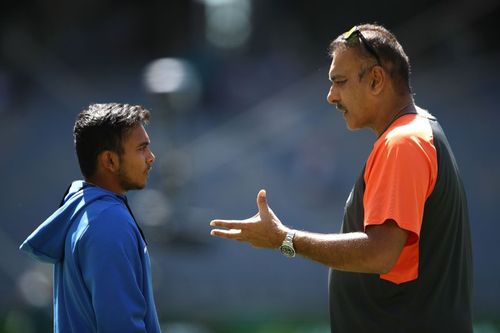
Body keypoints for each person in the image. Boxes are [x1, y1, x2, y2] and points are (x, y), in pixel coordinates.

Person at [210, 24, 473, 333]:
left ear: (376, 80)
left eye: (340, 81)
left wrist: (285, 239)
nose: (330, 96)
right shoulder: (418, 132)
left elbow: (379, 253)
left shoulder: (403, 142)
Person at [20, 103, 161, 332]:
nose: (151, 157)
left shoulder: (86, 211)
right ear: (110, 161)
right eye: (141, 148)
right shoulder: (109, 223)